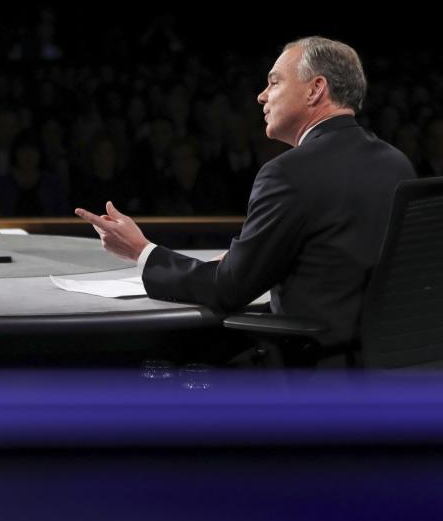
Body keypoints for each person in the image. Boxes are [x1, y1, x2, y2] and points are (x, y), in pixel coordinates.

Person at [75, 36, 416, 362]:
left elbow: (228, 289)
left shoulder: (288, 173)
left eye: (274, 82)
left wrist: (141, 252)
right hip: (382, 365)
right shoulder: (396, 164)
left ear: (316, 89)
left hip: (309, 370)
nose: (261, 96)